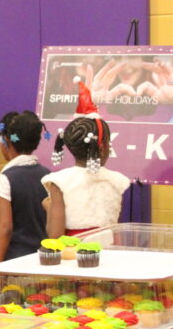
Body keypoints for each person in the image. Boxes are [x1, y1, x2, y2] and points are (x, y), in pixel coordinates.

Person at [42, 82, 130, 237]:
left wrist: (49, 208)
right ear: (102, 147)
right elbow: (114, 228)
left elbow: (55, 236)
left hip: (74, 253)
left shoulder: (60, 182)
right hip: (109, 250)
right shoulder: (116, 181)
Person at [0, 111, 50, 263]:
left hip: (16, 259)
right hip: (45, 257)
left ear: (6, 141)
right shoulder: (48, 176)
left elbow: (6, 227)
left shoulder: (4, 180)